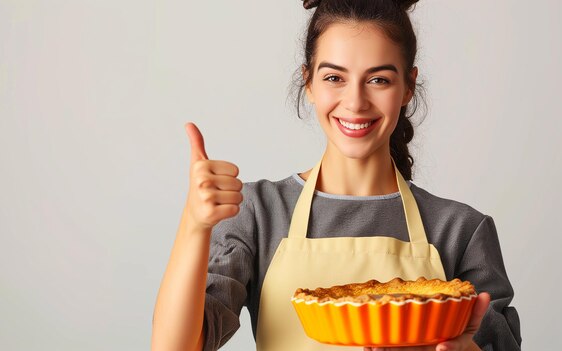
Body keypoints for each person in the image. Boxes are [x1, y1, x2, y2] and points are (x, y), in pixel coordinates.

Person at [152, 0, 522, 350]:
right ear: (308, 82)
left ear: (408, 86)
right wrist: (194, 225)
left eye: (379, 80)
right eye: (334, 77)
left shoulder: (460, 230)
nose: (355, 102)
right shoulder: (258, 214)